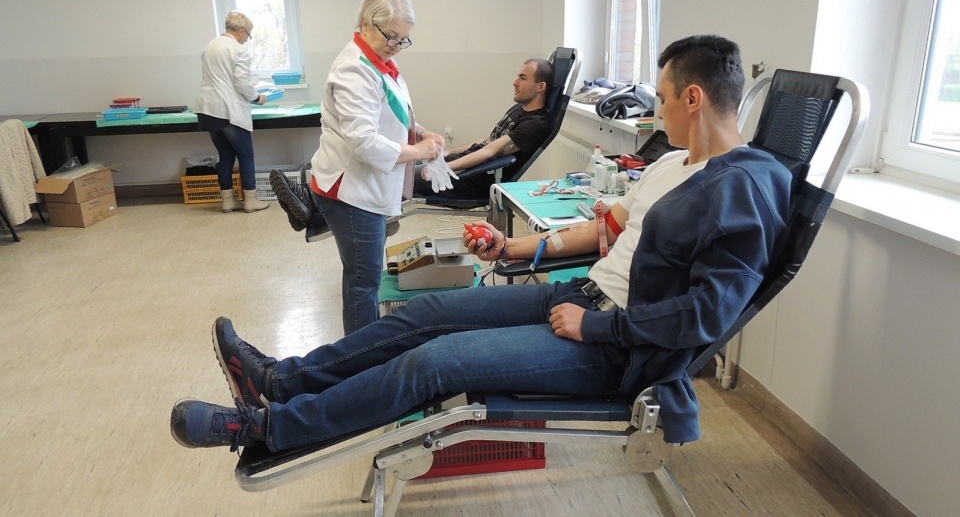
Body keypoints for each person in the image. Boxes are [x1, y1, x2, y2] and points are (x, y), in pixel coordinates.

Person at [171, 35, 793, 455]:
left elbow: (706, 316)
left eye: (660, 100)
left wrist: (598, 330)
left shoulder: (743, 192)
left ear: (694, 97)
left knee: (437, 361)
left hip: (617, 347)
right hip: (582, 294)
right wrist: (513, 250)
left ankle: (267, 428)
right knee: (426, 314)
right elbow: (606, 231)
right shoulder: (673, 164)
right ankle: (280, 379)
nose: (656, 114)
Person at [269, 0, 444, 336]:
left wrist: (421, 132)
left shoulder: (381, 63)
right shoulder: (354, 70)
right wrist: (419, 153)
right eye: (391, 36)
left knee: (365, 275)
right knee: (363, 282)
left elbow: (391, 113)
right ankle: (362, 363)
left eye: (404, 39)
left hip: (363, 184)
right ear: (366, 24)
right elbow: (364, 141)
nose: (396, 45)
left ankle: (312, 207)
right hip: (351, 190)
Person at [411, 58, 555, 200]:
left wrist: (444, 168)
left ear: (540, 87)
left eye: (523, 78)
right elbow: (488, 139)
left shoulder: (535, 124)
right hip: (461, 166)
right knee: (404, 163)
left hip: (469, 181)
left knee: (400, 178)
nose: (515, 83)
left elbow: (489, 152)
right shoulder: (520, 108)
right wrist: (448, 152)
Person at [194, 11, 271, 214]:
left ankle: (228, 201)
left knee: (225, 156)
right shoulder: (238, 50)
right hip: (228, 110)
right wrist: (258, 98)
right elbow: (242, 83)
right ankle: (250, 200)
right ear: (242, 31)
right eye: (248, 35)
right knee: (246, 156)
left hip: (207, 109)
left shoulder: (210, 46)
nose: (247, 40)